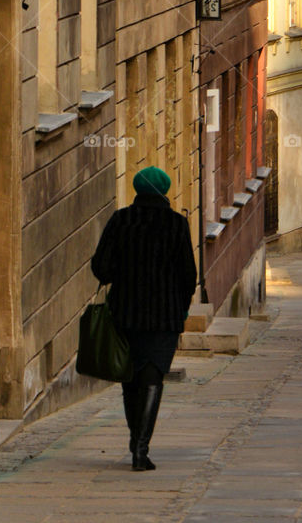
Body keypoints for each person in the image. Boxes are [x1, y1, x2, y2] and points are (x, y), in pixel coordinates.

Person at [91, 165, 197, 471]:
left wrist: (120, 274)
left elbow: (101, 267)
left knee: (131, 380)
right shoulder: (177, 224)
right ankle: (140, 450)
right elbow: (187, 274)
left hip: (125, 313)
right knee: (153, 378)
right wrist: (183, 305)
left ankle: (135, 440)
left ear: (138, 189)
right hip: (164, 315)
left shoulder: (121, 220)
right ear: (164, 190)